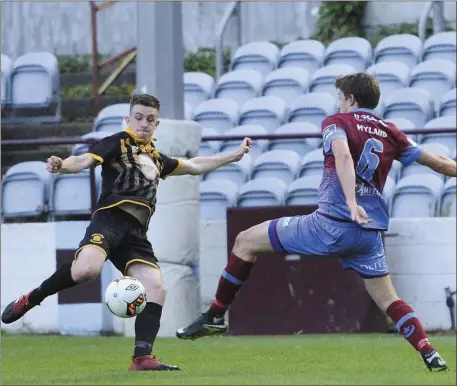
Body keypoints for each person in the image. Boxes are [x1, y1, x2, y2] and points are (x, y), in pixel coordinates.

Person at [176, 73, 456, 372]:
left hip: (330, 224)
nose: (338, 102)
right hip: (368, 235)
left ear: (349, 98)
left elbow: (344, 157)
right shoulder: (390, 131)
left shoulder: (337, 122)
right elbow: (440, 162)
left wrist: (350, 202)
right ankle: (428, 351)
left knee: (245, 241)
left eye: (340, 96)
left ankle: (216, 316)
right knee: (389, 299)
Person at [1, 93, 252, 372]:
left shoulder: (157, 158)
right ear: (128, 119)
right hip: (109, 221)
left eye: (150, 120)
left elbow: (193, 166)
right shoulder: (116, 142)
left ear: (156, 125)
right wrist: (62, 165)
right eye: (139, 118)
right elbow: (83, 160)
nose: (144, 123)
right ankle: (31, 298)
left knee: (157, 287)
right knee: (86, 270)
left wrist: (233, 156)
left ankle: (142, 358)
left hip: (136, 234)